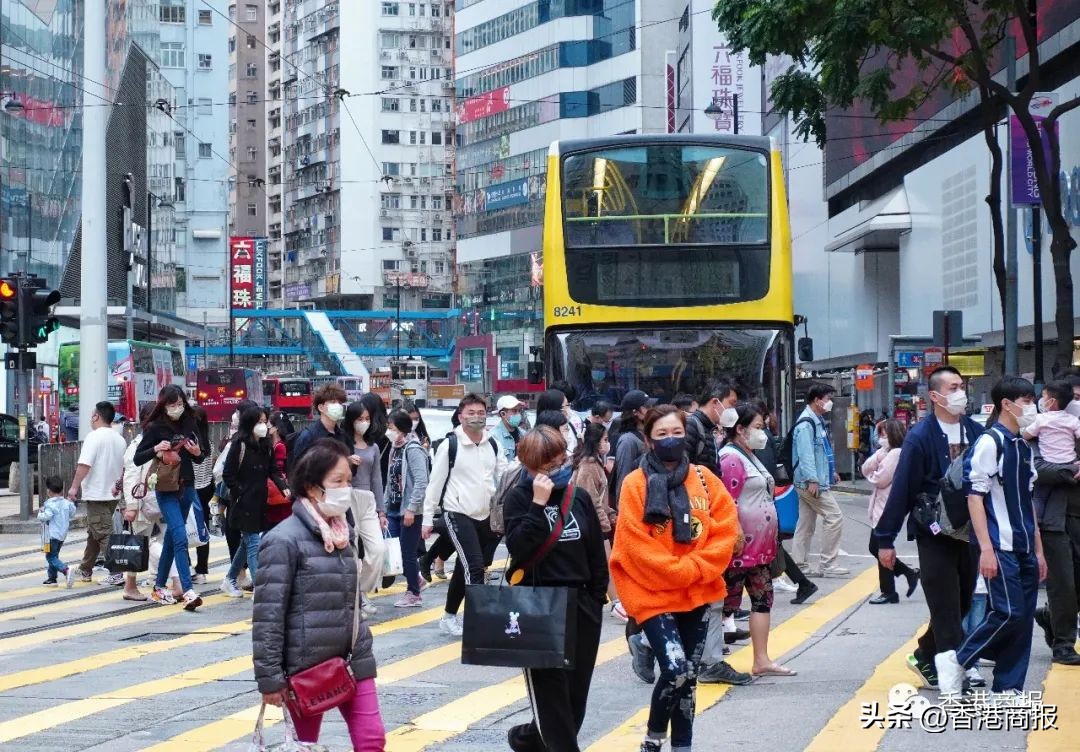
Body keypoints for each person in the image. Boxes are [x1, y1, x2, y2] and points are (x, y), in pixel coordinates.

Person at [610, 405, 739, 752]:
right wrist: (677, 570)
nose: (671, 440)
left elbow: (726, 529)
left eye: (677, 433)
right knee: (676, 668)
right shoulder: (634, 484)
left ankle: (683, 745)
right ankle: (653, 739)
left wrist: (697, 567)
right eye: (662, 435)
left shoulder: (704, 479)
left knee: (690, 679)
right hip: (653, 593)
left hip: (697, 591)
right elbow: (634, 543)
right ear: (649, 440)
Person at [253, 439, 385, 750]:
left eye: (348, 481)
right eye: (337, 481)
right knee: (305, 745)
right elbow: (268, 615)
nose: (346, 489)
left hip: (353, 656)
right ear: (313, 488)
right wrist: (270, 678)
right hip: (305, 667)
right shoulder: (282, 541)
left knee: (372, 739)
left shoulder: (344, 534)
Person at [935, 377, 1047, 697]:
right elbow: (975, 498)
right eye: (1026, 401)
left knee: (1023, 620)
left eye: (1032, 400)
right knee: (1008, 612)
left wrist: (1039, 550)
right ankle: (957, 659)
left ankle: (1008, 687)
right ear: (1006, 405)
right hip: (999, 544)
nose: (1032, 407)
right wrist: (985, 547)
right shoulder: (990, 442)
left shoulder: (1022, 446)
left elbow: (1027, 502)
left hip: (1024, 544)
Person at [874, 366, 984, 690]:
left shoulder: (975, 433)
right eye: (953, 387)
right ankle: (954, 679)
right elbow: (903, 489)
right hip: (934, 533)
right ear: (935, 396)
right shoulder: (920, 437)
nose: (960, 392)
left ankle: (925, 653)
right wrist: (885, 539)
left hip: (968, 532)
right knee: (946, 605)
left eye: (962, 386)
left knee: (962, 602)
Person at [503, 426, 609, 752]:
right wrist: (537, 505)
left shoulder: (577, 496)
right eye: (547, 464)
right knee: (552, 699)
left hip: (581, 604)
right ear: (530, 465)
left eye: (560, 459)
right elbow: (519, 548)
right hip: (539, 605)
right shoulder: (518, 498)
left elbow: (594, 550)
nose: (557, 468)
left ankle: (528, 739)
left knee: (575, 698)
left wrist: (596, 596)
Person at [710, 404, 794, 678]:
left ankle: (762, 659)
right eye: (758, 427)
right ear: (740, 429)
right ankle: (707, 661)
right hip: (738, 549)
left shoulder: (750, 456)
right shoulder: (731, 459)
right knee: (725, 604)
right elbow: (727, 503)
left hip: (758, 550)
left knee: (762, 600)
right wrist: (733, 537)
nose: (763, 434)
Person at [422, 393, 508, 637]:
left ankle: (449, 617)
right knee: (475, 566)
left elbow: (504, 475)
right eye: (471, 413)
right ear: (460, 417)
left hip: (485, 514)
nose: (476, 417)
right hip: (457, 512)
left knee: (464, 567)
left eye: (481, 413)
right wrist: (427, 519)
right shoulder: (450, 445)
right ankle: (479, 621)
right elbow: (435, 485)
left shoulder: (492, 444)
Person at [133, 385, 210, 609]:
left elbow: (200, 456)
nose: (176, 408)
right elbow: (139, 458)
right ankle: (187, 590)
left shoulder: (190, 422)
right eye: (171, 404)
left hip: (188, 487)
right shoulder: (156, 427)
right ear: (163, 405)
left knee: (171, 538)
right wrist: (156, 448)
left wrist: (198, 453)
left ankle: (158, 587)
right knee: (179, 537)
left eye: (179, 404)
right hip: (165, 489)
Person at [221, 405, 289, 598]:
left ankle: (229, 579)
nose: (263, 426)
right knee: (253, 543)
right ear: (250, 423)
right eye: (259, 422)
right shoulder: (240, 444)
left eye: (265, 421)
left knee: (246, 543)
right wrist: (240, 492)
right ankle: (261, 588)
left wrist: (283, 486)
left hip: (260, 502)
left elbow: (273, 470)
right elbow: (228, 475)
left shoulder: (266, 445)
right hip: (242, 503)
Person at [790, 384, 849, 577]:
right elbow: (806, 455)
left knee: (805, 524)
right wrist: (813, 479)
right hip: (810, 483)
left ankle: (799, 565)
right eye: (827, 398)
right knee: (834, 517)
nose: (829, 402)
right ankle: (828, 564)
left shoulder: (815, 420)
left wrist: (830, 472)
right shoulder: (806, 424)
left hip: (810, 480)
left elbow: (821, 453)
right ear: (817, 400)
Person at [70, 400, 128, 586]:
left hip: (96, 494)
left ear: (96, 416)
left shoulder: (94, 437)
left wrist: (73, 487)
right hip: (112, 494)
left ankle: (116, 572)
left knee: (103, 533)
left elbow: (84, 465)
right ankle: (86, 569)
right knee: (95, 532)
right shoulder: (119, 439)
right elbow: (123, 467)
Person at [862, 419, 919, 604]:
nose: (881, 437)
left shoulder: (896, 453)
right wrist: (879, 455)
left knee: (878, 547)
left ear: (893, 434)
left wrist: (877, 466)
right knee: (877, 547)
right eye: (880, 433)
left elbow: (880, 479)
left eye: (884, 433)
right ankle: (907, 574)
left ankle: (889, 591)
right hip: (880, 505)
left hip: (887, 507)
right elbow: (865, 468)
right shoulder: (887, 452)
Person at [571, 422, 623, 619]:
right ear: (595, 442)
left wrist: (610, 513)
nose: (607, 444)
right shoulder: (589, 467)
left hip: (595, 523)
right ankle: (616, 604)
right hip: (592, 524)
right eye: (605, 440)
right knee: (606, 563)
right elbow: (590, 499)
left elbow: (600, 498)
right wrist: (604, 521)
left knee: (599, 564)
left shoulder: (593, 463)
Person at [385, 408, 430, 607]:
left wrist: (411, 509)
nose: (389, 431)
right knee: (393, 550)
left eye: (391, 427)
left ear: (402, 429)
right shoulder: (394, 447)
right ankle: (417, 580)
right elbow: (390, 480)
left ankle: (414, 593)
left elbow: (422, 481)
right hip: (393, 508)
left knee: (407, 553)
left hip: (409, 510)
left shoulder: (413, 448)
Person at [345, 400, 387, 525]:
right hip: (348, 496)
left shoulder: (373, 447)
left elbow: (376, 479)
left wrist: (381, 510)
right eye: (360, 419)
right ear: (351, 420)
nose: (364, 422)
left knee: (377, 544)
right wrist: (346, 460)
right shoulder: (343, 444)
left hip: (368, 498)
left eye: (367, 419)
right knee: (353, 539)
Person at [612, 390, 655, 506]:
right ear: (636, 412)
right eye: (647, 407)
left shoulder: (648, 435)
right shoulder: (628, 441)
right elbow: (623, 478)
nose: (652, 410)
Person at [686, 380, 739, 475]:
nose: (733, 410)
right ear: (715, 402)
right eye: (732, 403)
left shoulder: (708, 429)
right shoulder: (691, 426)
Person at [290, 383, 350, 462]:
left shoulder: (342, 435)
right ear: (321, 407)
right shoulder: (308, 436)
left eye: (340, 403)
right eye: (333, 402)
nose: (338, 406)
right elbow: (299, 469)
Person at [191, 405, 215, 586]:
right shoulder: (209, 444)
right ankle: (202, 570)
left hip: (191, 489)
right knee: (202, 529)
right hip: (206, 488)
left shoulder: (189, 443)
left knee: (183, 528)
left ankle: (188, 567)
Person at [39, 476, 77, 588]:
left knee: (50, 557)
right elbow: (72, 513)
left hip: (52, 535)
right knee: (54, 555)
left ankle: (65, 570)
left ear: (48, 491)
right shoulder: (66, 503)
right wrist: (72, 503)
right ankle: (52, 579)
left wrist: (40, 513)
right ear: (62, 490)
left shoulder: (49, 504)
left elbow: (46, 517)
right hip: (62, 535)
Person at [265, 412, 294, 529]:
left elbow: (279, 469)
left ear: (276, 428)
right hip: (277, 490)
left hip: (278, 490)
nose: (266, 428)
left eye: (268, 425)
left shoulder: (279, 446)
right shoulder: (273, 444)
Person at [491, 395, 526, 462]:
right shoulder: (493, 437)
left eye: (519, 411)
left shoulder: (524, 434)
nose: (518, 414)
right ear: (503, 414)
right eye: (514, 411)